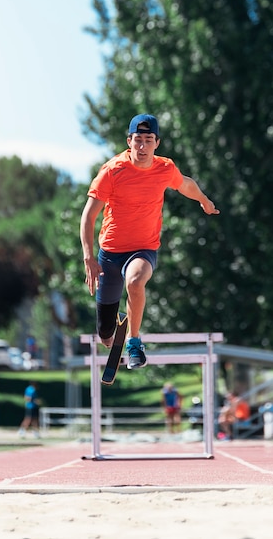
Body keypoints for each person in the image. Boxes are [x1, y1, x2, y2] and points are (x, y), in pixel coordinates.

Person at [80, 113, 219, 369]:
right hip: (109, 255)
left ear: (157, 143)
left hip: (143, 249)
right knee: (106, 336)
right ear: (129, 141)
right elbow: (88, 216)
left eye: (148, 140)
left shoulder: (164, 168)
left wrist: (203, 199)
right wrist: (89, 257)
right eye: (137, 140)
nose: (142, 147)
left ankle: (134, 342)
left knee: (135, 281)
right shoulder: (112, 171)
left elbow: (185, 184)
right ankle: (118, 328)